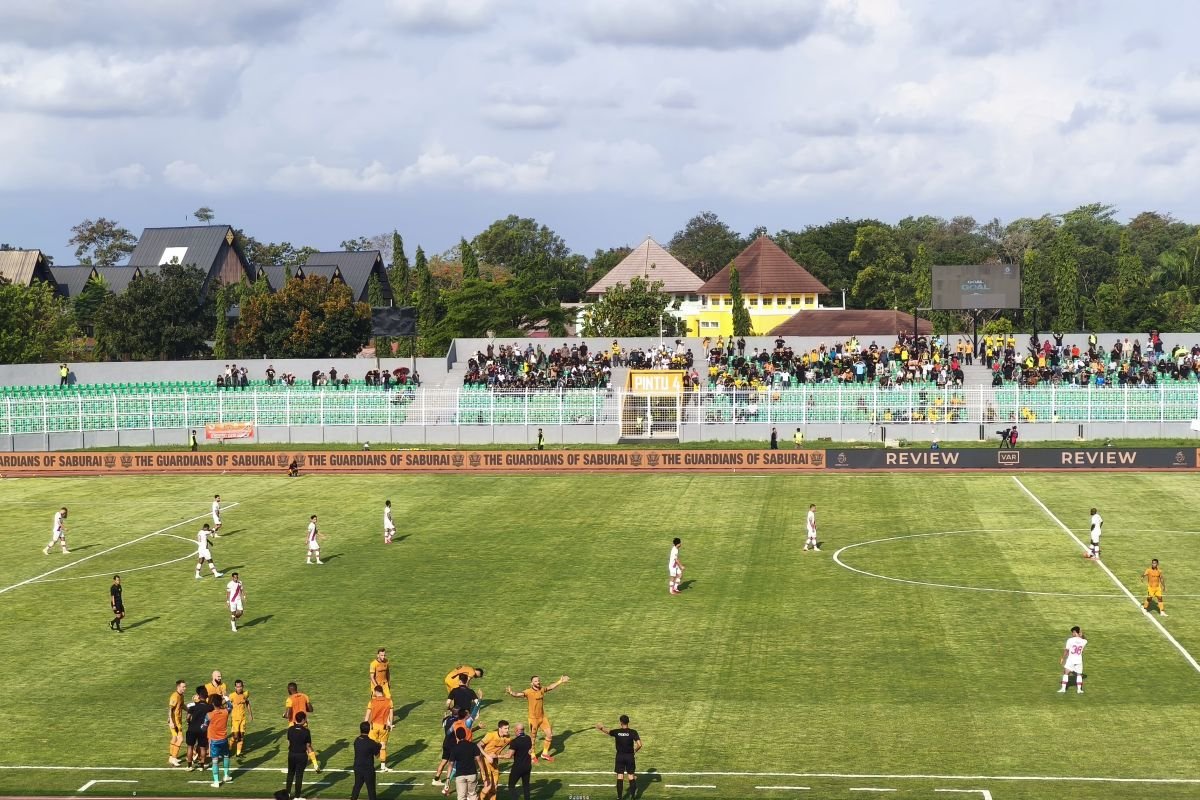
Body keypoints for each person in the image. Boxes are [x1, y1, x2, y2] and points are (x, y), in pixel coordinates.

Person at [505, 675, 568, 762]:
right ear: (531, 683)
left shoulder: (542, 689)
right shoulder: (528, 692)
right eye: (535, 681)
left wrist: (559, 681)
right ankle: (533, 755)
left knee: (549, 735)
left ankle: (544, 753)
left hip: (542, 718)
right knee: (533, 738)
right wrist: (511, 693)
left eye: (538, 681)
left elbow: (550, 687)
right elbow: (518, 694)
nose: (538, 682)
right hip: (533, 719)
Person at [596, 715, 642, 800]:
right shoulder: (633, 732)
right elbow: (640, 745)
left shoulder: (617, 732)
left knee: (620, 776)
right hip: (629, 756)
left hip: (620, 756)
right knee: (631, 776)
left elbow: (608, 731)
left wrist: (601, 728)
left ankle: (619, 797)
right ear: (628, 722)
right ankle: (633, 797)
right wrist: (634, 751)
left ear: (621, 722)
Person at [283, 683, 319, 772]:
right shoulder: (304, 696)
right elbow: (311, 709)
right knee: (308, 745)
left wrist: (284, 715)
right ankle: (315, 765)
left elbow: (288, 715)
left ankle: (292, 767)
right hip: (304, 724)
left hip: (293, 725)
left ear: (289, 689)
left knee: (292, 747)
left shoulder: (289, 699)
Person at [478, 720, 511, 800]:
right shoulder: (491, 735)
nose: (507, 730)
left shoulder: (508, 738)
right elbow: (478, 745)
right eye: (505, 728)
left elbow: (514, 749)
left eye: (508, 728)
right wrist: (487, 756)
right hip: (485, 762)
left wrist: (497, 756)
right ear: (500, 728)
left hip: (495, 763)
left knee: (494, 787)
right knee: (488, 786)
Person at [499, 722, 533, 800]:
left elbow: (509, 755)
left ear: (517, 730)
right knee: (526, 786)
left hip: (518, 767)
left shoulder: (515, 741)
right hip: (527, 766)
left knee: (511, 785)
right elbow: (529, 750)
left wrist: (497, 756)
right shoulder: (528, 738)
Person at [285, 711, 315, 799]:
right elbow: (308, 745)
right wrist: (314, 761)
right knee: (299, 775)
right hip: (301, 755)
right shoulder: (306, 731)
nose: (306, 720)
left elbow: (289, 742)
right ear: (302, 720)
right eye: (305, 718)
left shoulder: (290, 729)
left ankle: (287, 794)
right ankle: (297, 796)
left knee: (290, 774)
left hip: (291, 754)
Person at [450, 727, 486, 800]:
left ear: (456, 736)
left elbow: (451, 764)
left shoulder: (455, 748)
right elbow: (478, 759)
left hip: (460, 775)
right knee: (472, 795)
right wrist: (483, 771)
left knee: (461, 797)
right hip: (472, 774)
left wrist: (448, 778)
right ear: (465, 734)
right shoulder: (473, 745)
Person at [364, 684, 393, 771]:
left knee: (370, 746)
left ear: (376, 692)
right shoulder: (389, 701)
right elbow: (391, 714)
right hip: (384, 727)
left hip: (373, 727)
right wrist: (390, 724)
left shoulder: (372, 702)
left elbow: (367, 715)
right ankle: (383, 766)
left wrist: (365, 726)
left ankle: (369, 764)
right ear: (382, 691)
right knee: (383, 746)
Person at [206, 692, 232, 787]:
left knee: (215, 761)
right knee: (226, 756)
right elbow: (230, 706)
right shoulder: (225, 712)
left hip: (214, 741)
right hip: (224, 739)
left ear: (212, 703)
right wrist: (227, 698)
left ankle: (216, 781)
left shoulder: (209, 715)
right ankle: (226, 775)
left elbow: (203, 727)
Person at [352, 720, 382, 800]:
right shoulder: (372, 743)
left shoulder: (356, 741)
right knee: (371, 790)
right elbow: (378, 756)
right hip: (368, 770)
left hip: (358, 768)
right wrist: (379, 747)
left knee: (356, 788)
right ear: (369, 730)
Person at [185, 687, 212, 771]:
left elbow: (188, 717)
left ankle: (189, 766)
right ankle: (201, 766)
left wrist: (189, 722)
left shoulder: (193, 706)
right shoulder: (209, 707)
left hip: (192, 729)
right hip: (203, 729)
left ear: (199, 696)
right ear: (206, 696)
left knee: (190, 747)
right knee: (202, 747)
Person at [1058, 625, 1087, 694]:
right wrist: (1081, 633)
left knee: (1066, 673)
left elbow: (1066, 650)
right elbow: (1085, 639)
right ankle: (1079, 690)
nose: (1072, 634)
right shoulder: (1084, 641)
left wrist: (1062, 658)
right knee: (1079, 674)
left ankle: (1063, 689)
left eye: (1072, 632)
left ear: (1074, 632)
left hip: (1071, 660)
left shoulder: (1070, 640)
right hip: (1079, 660)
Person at [229, 679, 252, 758]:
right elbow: (227, 705)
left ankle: (238, 753)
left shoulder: (245, 694)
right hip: (234, 719)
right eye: (238, 687)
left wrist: (250, 714)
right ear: (235, 687)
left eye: (241, 686)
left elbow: (247, 703)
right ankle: (229, 748)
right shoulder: (232, 696)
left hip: (242, 719)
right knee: (235, 736)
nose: (239, 688)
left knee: (241, 736)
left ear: (243, 686)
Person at [168, 679, 187, 767]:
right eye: (183, 687)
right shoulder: (174, 696)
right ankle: (173, 758)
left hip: (178, 721)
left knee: (174, 739)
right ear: (178, 687)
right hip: (174, 722)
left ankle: (171, 757)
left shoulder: (181, 695)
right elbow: (170, 709)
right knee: (180, 739)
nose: (185, 688)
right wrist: (171, 721)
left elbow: (182, 705)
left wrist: (189, 710)